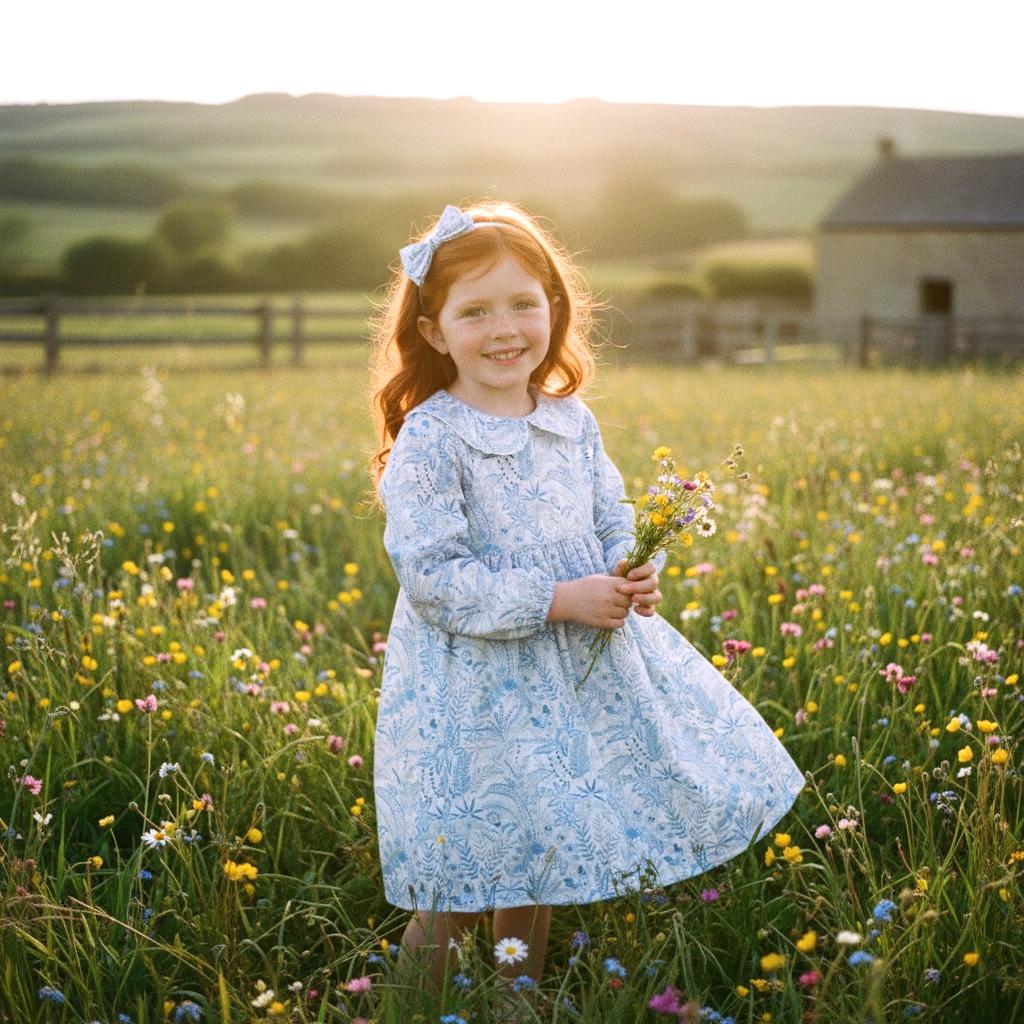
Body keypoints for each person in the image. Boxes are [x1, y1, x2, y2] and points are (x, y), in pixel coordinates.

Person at [367, 201, 805, 1013]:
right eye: (476, 312)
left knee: (538, 851)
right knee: (462, 870)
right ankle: (413, 1005)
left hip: (569, 678)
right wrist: (560, 597)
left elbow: (615, 516)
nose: (505, 329)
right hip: (476, 686)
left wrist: (633, 568)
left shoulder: (572, 421)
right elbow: (434, 578)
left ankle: (514, 1001)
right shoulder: (434, 437)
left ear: (555, 310)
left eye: (525, 304)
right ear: (433, 332)